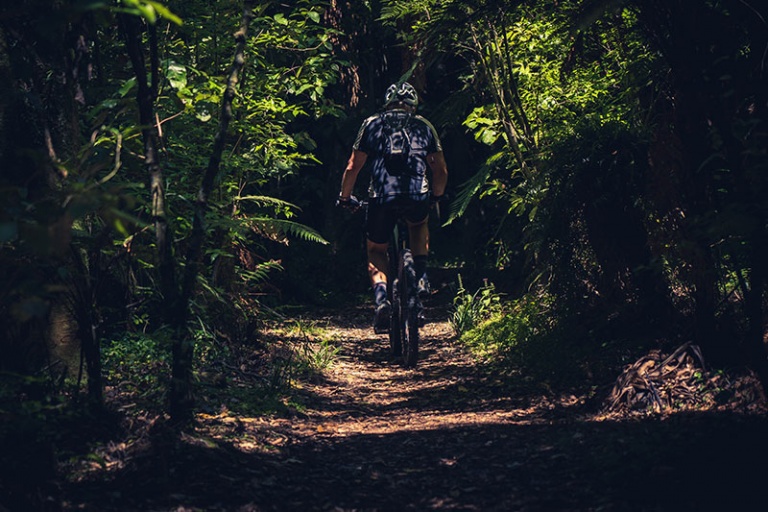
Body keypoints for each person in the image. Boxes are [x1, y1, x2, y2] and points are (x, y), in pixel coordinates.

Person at [337, 81, 448, 333]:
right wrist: (436, 196)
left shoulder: (372, 124)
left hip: (380, 198)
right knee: (419, 224)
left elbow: (353, 167)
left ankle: (381, 303)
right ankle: (420, 278)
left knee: (376, 249)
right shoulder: (424, 125)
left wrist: (345, 197)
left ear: (387, 103)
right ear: (413, 104)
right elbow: (440, 169)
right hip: (416, 195)